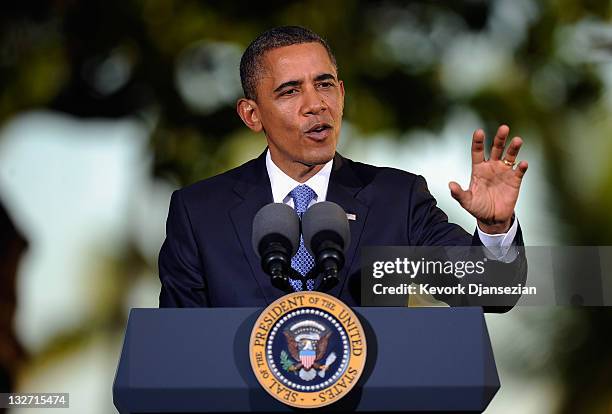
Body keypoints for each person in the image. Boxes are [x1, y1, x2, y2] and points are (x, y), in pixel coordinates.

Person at [158, 26, 528, 309]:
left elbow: (491, 291)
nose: (315, 104)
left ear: (342, 94)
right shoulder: (200, 212)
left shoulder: (394, 199)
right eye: (290, 91)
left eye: (324, 85)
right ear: (252, 115)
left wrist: (495, 228)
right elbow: (180, 348)